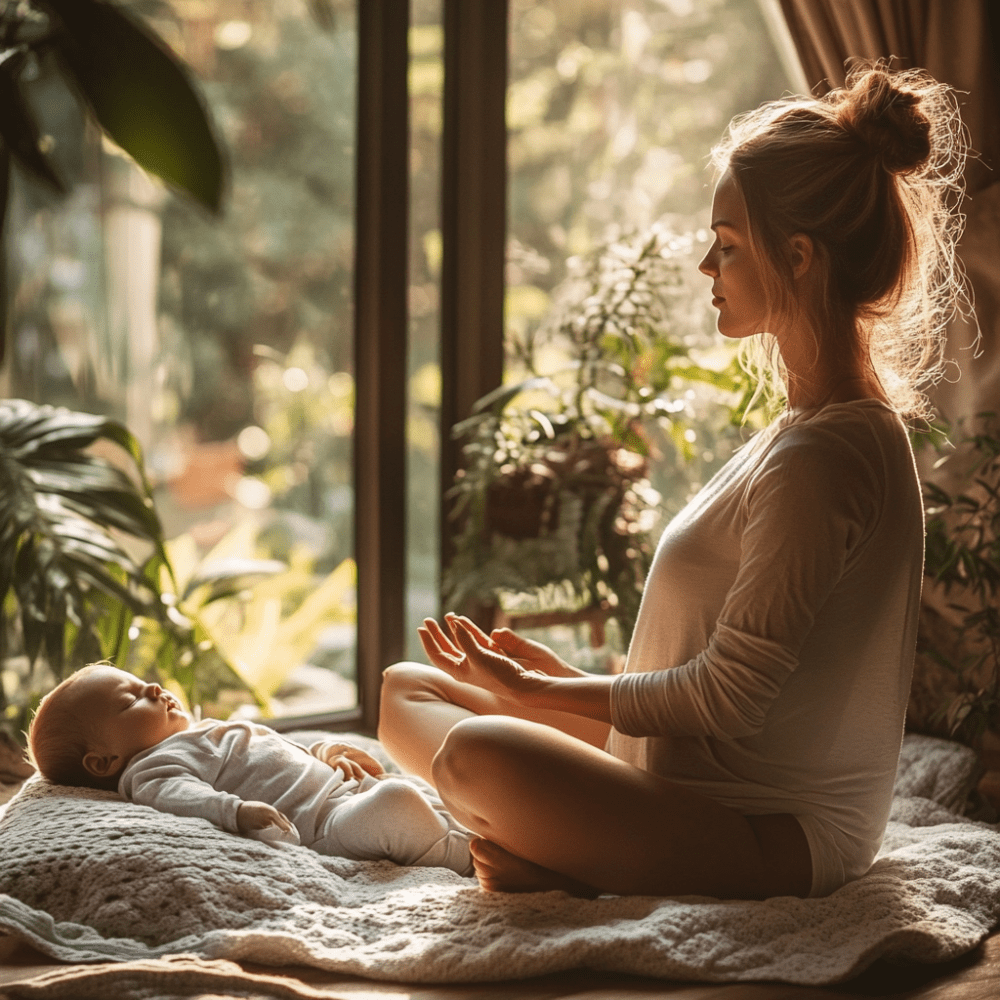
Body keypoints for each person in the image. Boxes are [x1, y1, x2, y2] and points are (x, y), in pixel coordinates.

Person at [377, 62, 969, 901]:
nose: (705, 264)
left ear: (798, 257)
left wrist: (548, 692)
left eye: (727, 244)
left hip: (762, 831)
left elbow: (728, 698)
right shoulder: (800, 433)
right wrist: (559, 681)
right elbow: (715, 660)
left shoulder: (824, 459)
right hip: (676, 781)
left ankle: (543, 844)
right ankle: (542, 840)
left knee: (475, 755)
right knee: (411, 691)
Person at [27, 664, 473, 875]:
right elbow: (179, 797)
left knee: (414, 784)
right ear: (103, 761)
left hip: (343, 790)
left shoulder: (203, 731)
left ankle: (472, 830)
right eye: (132, 699)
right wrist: (236, 812)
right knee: (397, 804)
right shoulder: (152, 767)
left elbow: (282, 750)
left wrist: (327, 750)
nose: (153, 686)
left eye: (142, 681)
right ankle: (465, 859)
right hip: (326, 827)